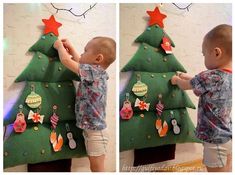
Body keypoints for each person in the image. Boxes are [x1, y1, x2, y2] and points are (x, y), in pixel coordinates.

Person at [171, 24, 232, 172]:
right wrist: (189, 78)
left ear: (216, 53)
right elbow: (204, 85)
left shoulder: (209, 75)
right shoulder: (229, 76)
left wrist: (177, 80)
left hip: (214, 139)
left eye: (204, 54)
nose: (204, 57)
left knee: (215, 170)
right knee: (227, 167)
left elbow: (186, 86)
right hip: (227, 135)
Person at [54, 36, 116, 172]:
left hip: (96, 132)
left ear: (98, 59)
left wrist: (59, 47)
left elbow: (66, 61)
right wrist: (71, 48)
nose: (82, 54)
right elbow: (80, 62)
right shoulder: (96, 72)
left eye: (85, 51)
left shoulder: (93, 72)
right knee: (95, 167)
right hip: (93, 130)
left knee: (97, 168)